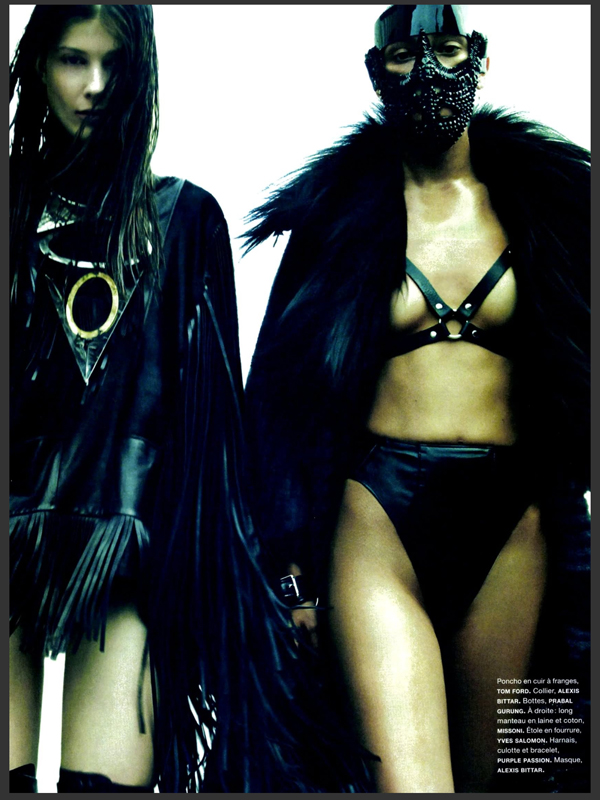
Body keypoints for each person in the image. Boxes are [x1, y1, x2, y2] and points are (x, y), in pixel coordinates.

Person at [9, 5, 374, 793]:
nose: (95, 86)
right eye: (73, 60)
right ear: (38, 66)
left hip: (125, 554)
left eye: (115, 63)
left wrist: (277, 583)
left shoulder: (183, 220)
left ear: (143, 73)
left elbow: (214, 441)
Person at [244, 4, 590, 793]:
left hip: (516, 527)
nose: (429, 70)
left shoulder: (555, 210)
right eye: (404, 54)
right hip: (380, 516)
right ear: (378, 73)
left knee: (504, 781)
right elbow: (280, 402)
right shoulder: (336, 218)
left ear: (480, 56)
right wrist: (288, 574)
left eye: (446, 48)